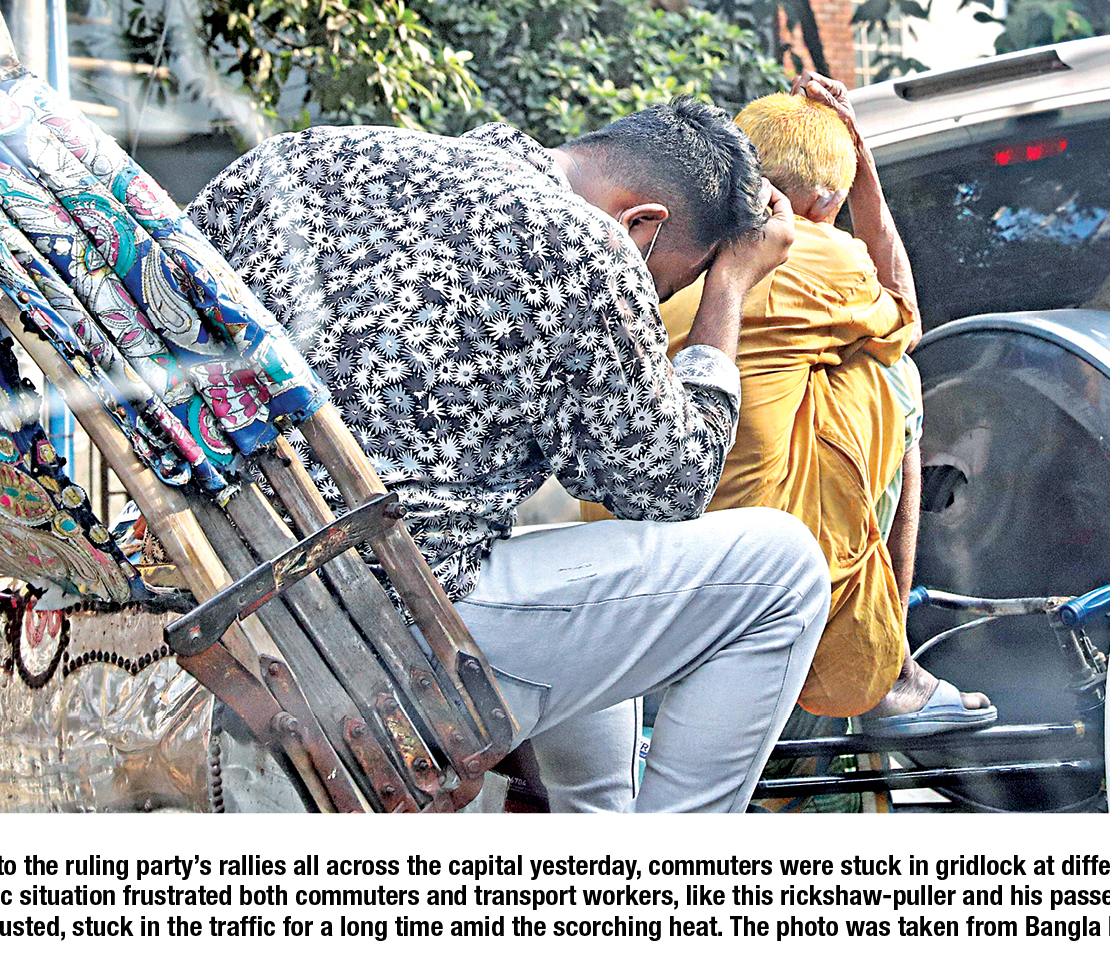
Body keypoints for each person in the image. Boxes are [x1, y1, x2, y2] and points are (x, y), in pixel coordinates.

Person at [186, 99, 832, 813]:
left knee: (590, 565)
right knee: (786, 569)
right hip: (377, 632)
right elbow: (673, 485)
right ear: (642, 226)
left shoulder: (298, 158)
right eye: (668, 287)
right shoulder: (586, 245)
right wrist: (729, 286)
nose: (652, 305)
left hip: (211, 596)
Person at [582, 72, 996, 744]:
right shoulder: (816, 248)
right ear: (826, 198)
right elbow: (906, 317)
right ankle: (890, 674)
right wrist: (864, 171)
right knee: (896, 374)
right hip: (739, 547)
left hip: (620, 530)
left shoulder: (672, 231)